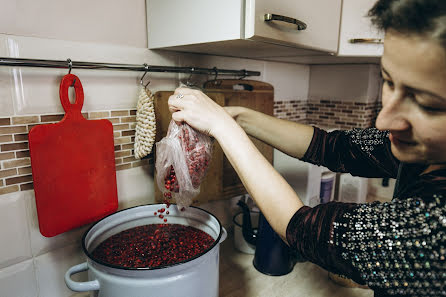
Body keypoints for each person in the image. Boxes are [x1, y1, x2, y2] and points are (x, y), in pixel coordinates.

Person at [168, 0, 446, 296]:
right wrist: (239, 118)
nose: (384, 120)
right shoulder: (425, 153)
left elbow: (304, 230)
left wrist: (223, 128)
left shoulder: (436, 230)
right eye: (388, 81)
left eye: (427, 105)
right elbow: (334, 148)